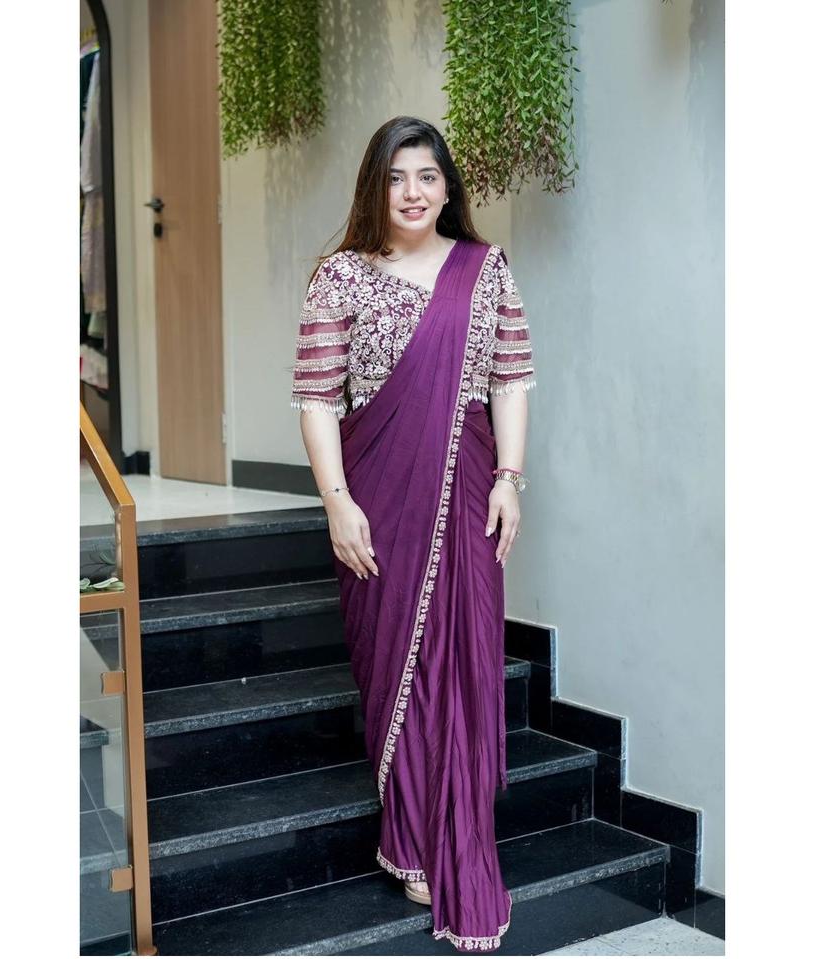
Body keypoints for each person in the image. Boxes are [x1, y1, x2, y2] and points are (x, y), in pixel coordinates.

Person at [291, 116, 535, 953]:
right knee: (395, 663)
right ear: (375, 185)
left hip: (468, 489)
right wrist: (336, 502)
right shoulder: (340, 277)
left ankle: (455, 835)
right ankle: (406, 833)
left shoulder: (484, 268)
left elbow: (510, 378)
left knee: (461, 661)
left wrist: (508, 477)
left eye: (427, 175)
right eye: (397, 177)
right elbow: (317, 397)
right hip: (378, 495)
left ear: (447, 185)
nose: (413, 192)